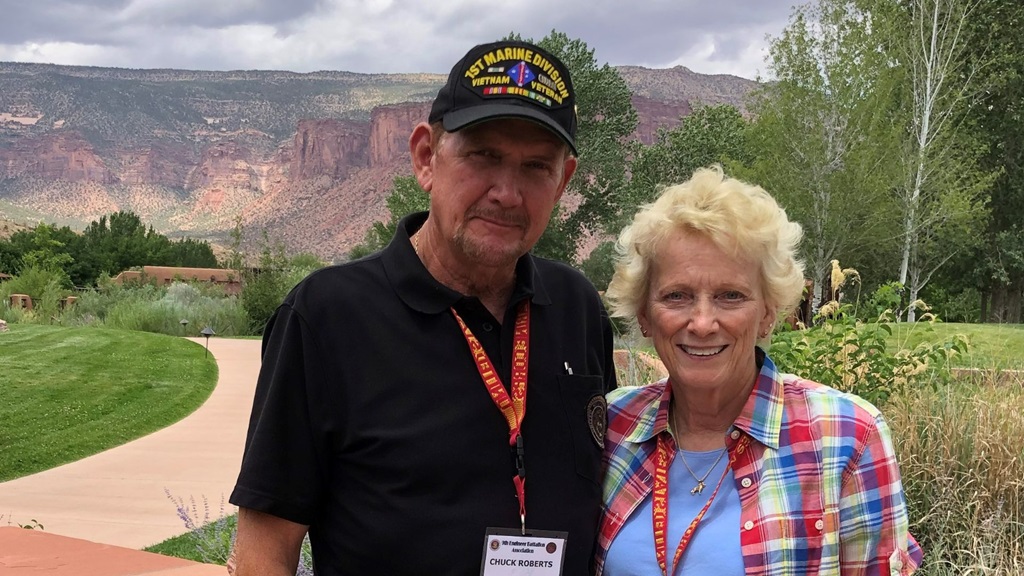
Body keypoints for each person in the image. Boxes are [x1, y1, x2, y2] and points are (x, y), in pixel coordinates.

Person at [228, 39, 617, 576]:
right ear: (426, 157)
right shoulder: (327, 317)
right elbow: (262, 554)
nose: (507, 192)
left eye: (535, 166)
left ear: (563, 181)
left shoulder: (577, 308)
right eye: (484, 156)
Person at [595, 166, 922, 575]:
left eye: (730, 296)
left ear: (768, 312)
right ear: (645, 314)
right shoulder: (611, 426)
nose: (701, 322)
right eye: (676, 296)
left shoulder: (846, 436)